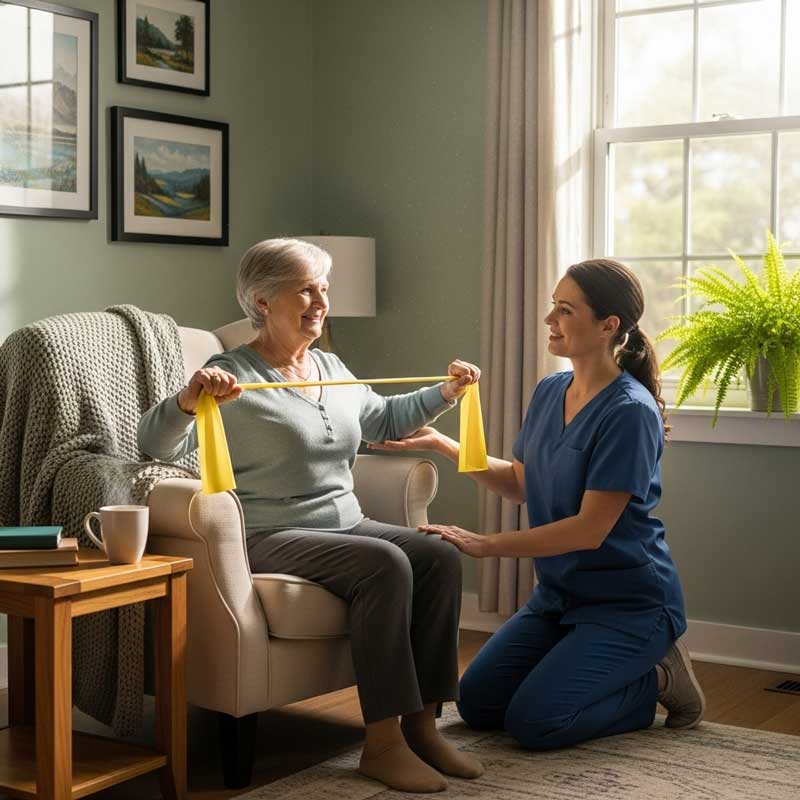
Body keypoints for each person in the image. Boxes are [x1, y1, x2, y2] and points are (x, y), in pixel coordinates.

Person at [138, 238, 483, 793]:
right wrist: (187, 399)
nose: (320, 300)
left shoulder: (328, 364)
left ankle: (423, 726)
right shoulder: (229, 374)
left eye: (323, 287)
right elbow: (154, 445)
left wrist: (446, 392)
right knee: (385, 564)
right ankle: (383, 743)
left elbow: (383, 420)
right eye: (305, 288)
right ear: (262, 300)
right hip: (269, 530)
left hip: (344, 521)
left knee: (438, 555)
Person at [370, 258, 705, 752]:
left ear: (608, 326)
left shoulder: (630, 413)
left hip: (628, 604)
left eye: (564, 310)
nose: (549, 320)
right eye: (553, 306)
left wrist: (487, 545)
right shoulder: (551, 390)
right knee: (479, 704)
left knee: (537, 722)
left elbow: (588, 530)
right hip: (558, 596)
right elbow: (520, 483)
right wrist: (442, 443)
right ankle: (602, 672)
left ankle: (656, 680)